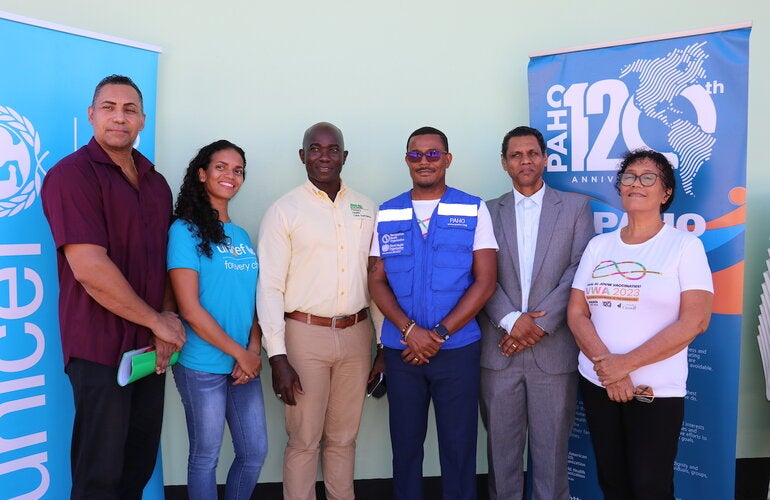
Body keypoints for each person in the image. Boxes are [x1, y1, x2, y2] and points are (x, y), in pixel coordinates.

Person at [40, 74, 185, 498]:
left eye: (129, 110)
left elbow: (164, 262)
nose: (118, 117)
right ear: (91, 115)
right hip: (99, 350)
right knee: (98, 475)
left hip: (149, 349)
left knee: (137, 465)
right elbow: (89, 267)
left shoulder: (156, 184)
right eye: (108, 107)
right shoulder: (71, 176)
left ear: (142, 120)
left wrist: (166, 322)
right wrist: (158, 322)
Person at [567, 149, 713, 499]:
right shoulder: (599, 246)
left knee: (651, 487)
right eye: (629, 176)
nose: (636, 183)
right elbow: (576, 313)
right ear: (620, 187)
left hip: (655, 392)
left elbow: (696, 320)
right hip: (599, 383)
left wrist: (624, 366)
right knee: (612, 482)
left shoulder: (685, 246)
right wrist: (610, 369)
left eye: (649, 177)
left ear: (666, 193)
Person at [368, 126, 498, 500]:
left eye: (432, 154)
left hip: (456, 351)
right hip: (402, 351)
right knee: (405, 448)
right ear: (407, 160)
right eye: (415, 155)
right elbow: (377, 280)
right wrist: (410, 330)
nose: (424, 161)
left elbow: (485, 281)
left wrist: (438, 334)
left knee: (458, 448)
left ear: (447, 159)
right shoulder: (388, 212)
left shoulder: (472, 208)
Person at [257, 122, 376, 500]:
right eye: (314, 148)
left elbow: (377, 281)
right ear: (302, 155)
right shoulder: (284, 211)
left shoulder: (367, 207)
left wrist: (386, 345)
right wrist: (277, 356)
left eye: (331, 149)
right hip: (303, 336)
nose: (323, 156)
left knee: (343, 438)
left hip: (358, 334)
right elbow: (270, 287)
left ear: (344, 156)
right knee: (304, 438)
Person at [478, 126, 594, 500]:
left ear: (545, 158)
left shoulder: (576, 208)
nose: (525, 161)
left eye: (532, 153)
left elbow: (579, 271)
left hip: (554, 351)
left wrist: (537, 326)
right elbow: (478, 274)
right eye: (516, 155)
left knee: (552, 457)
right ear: (504, 163)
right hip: (499, 351)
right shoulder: (485, 211)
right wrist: (512, 321)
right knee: (502, 458)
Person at [168, 140, 268, 499]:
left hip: (244, 366)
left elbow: (252, 300)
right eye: (221, 167)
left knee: (254, 452)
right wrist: (240, 354)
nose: (230, 175)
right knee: (205, 456)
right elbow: (190, 309)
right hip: (202, 365)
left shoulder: (241, 235)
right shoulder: (184, 231)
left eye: (238, 169)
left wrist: (252, 350)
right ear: (202, 174)